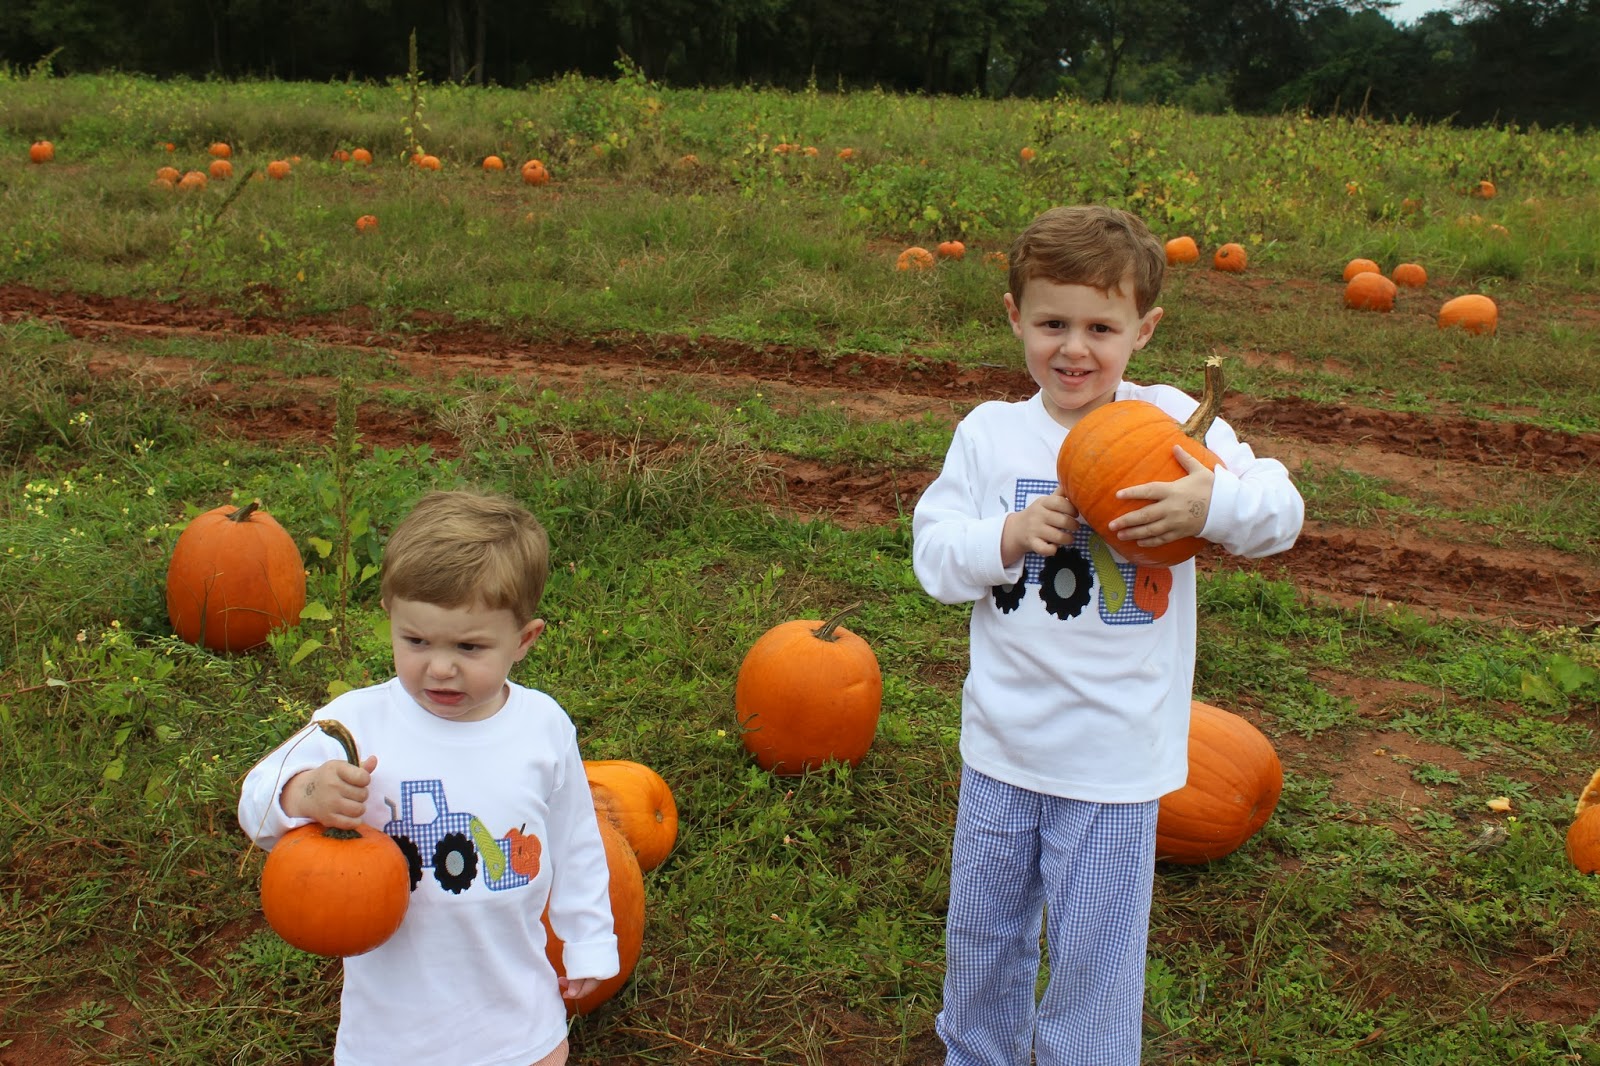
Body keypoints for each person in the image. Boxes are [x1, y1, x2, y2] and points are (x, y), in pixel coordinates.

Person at [911, 205, 1303, 1065]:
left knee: (1095, 957)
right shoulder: (990, 434)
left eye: (1101, 328)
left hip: (1116, 762)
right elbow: (934, 560)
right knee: (982, 937)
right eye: (1052, 324)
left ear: (1143, 330)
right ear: (1015, 316)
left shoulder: (1174, 426)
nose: (1074, 350)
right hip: (1003, 748)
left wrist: (1213, 504)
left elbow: (1281, 512)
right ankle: (976, 1053)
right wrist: (1006, 537)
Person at [239, 489, 617, 1066]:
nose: (440, 667)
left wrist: (588, 939)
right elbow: (255, 802)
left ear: (524, 640)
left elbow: (576, 842)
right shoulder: (357, 720)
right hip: (389, 1036)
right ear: (390, 618)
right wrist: (306, 791)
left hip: (519, 1024)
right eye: (416, 641)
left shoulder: (543, 727)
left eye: (469, 646)